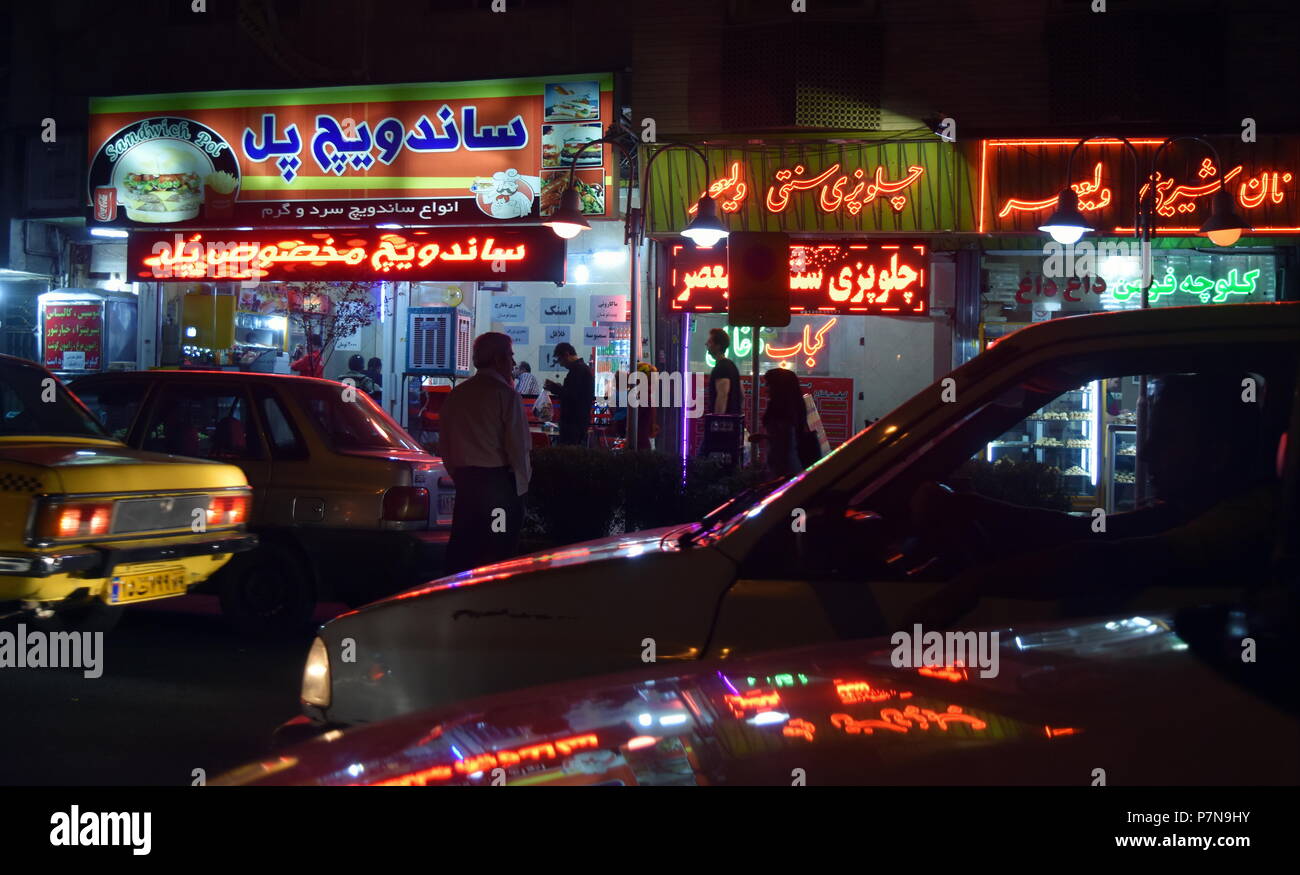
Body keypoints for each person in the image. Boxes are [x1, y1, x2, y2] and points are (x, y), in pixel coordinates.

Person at [908, 371, 1283, 628]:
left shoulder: (1246, 519)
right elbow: (1081, 532)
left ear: (1217, 453)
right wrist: (974, 508)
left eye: (1167, 438)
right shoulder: (1196, 510)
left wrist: (979, 581)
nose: (1146, 453)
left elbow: (1113, 559)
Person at [438, 332, 533, 575]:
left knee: (464, 550)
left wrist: (462, 476)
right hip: (498, 487)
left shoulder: (457, 394)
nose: (513, 363)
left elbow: (446, 446)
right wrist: (520, 490)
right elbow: (518, 448)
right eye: (510, 357)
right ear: (499, 359)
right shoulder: (506, 395)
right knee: (498, 548)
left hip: (467, 484)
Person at [544, 342, 594, 446]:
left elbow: (572, 396)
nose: (561, 364)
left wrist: (555, 388)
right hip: (578, 423)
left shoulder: (578, 370)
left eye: (560, 360)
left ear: (567, 355)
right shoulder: (581, 369)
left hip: (573, 424)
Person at [759, 367, 806, 477]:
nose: (766, 388)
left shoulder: (781, 411)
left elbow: (783, 446)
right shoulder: (794, 408)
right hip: (791, 470)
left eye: (769, 384)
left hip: (783, 473)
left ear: (778, 387)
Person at [706, 328, 743, 416]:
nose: (706, 344)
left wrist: (717, 421)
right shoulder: (731, 365)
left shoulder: (721, 368)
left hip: (724, 425)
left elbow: (722, 396)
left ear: (718, 346)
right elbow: (742, 394)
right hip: (733, 421)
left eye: (710, 342)